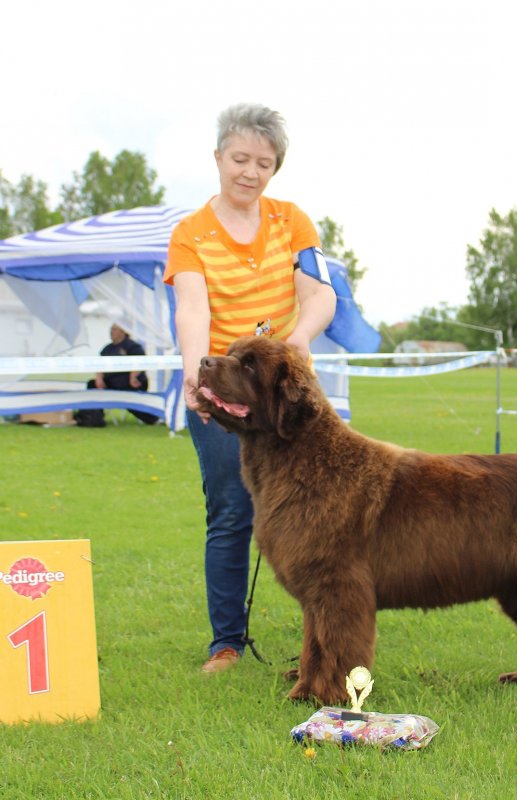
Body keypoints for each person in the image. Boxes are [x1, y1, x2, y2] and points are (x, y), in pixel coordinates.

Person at [163, 103, 337, 673]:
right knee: (233, 512)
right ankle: (227, 644)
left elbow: (319, 294)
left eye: (264, 162)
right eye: (240, 158)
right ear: (218, 158)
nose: (250, 171)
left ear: (275, 169)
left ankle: (327, 635)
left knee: (320, 507)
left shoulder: (295, 222)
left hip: (283, 392)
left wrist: (301, 338)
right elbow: (192, 307)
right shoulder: (190, 234)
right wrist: (197, 373)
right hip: (222, 391)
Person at [76, 323, 159, 426]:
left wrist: (134, 376)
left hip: (129, 383)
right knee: (92, 384)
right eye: (111, 329)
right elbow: (99, 365)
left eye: (114, 329)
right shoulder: (107, 349)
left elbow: (141, 362)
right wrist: (99, 378)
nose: (111, 332)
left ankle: (153, 418)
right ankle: (93, 418)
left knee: (130, 397)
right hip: (112, 382)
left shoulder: (132, 346)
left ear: (123, 332)